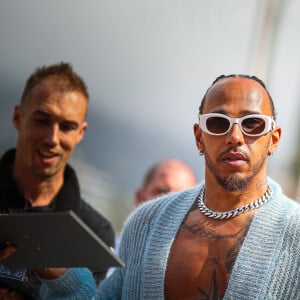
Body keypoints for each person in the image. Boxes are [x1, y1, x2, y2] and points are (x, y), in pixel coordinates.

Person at [5, 74, 300, 299]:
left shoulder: (296, 236)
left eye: (253, 124)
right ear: (199, 137)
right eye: (219, 123)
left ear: (273, 138)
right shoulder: (146, 223)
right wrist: (62, 276)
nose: (235, 136)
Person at [0, 62, 115, 298]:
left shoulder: (94, 232)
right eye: (42, 120)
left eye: (66, 126)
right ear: (17, 117)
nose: (52, 138)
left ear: (81, 133)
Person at [106, 158, 197, 278]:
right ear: (140, 199)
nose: (171, 203)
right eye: (162, 192)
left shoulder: (196, 275)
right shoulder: (103, 254)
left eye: (183, 197)